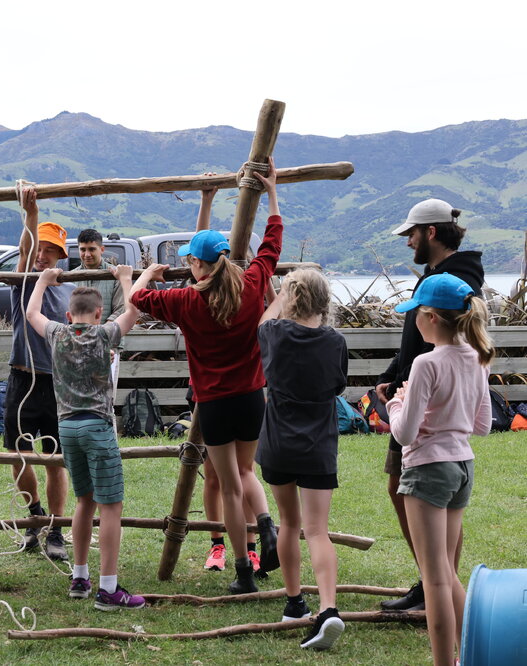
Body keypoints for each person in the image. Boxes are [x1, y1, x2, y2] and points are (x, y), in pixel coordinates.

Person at [131, 157, 282, 594]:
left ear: (198, 265)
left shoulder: (185, 302)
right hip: (252, 396)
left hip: (214, 404)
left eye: (191, 262)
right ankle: (266, 526)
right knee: (248, 473)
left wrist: (144, 274)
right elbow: (271, 243)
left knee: (229, 489)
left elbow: (138, 298)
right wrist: (271, 193)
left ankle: (243, 571)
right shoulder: (251, 284)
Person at [375, 198, 484, 612]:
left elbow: (440, 347)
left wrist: (402, 391)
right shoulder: (437, 275)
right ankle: (435, 582)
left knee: (424, 497)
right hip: (412, 393)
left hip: (425, 409)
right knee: (401, 489)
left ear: (431, 232)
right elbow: (415, 340)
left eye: (411, 234)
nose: (408, 242)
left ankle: (438, 586)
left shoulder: (455, 280)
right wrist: (392, 375)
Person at [386, 273, 492, 666]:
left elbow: (405, 433)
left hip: (428, 469)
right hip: (462, 467)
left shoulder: (425, 363)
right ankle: (473, 655)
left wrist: (396, 404)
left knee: (433, 579)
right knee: (446, 571)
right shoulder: (477, 358)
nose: (412, 320)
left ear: (431, 317)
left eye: (415, 313)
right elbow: (482, 425)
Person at [26, 265, 145, 610]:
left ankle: (80, 577)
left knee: (84, 501)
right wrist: (125, 278)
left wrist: (43, 281)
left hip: (67, 428)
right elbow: (133, 310)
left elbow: (32, 313)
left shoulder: (57, 333)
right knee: (111, 506)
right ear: (98, 313)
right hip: (97, 427)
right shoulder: (105, 334)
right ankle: (108, 588)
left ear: (68, 315)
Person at [257, 268, 348, 649]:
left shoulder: (273, 334)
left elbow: (264, 320)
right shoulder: (336, 342)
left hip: (278, 443)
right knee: (317, 530)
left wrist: (279, 295)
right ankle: (328, 608)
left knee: (288, 523)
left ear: (290, 298)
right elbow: (338, 385)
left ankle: (294, 603)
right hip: (319, 446)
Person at [190, 180, 263, 577]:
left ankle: (247, 547)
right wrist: (206, 201)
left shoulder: (239, 287)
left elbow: (200, 252)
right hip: (225, 393)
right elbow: (199, 248)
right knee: (218, 475)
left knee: (237, 475)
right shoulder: (209, 286)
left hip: (222, 394)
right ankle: (219, 544)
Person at [4, 186, 75, 561]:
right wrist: (31, 214)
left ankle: (57, 530)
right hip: (22, 379)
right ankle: (36, 516)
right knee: (18, 456)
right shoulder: (24, 282)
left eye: (50, 250)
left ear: (61, 256)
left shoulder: (70, 291)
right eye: (39, 248)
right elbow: (23, 250)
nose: (41, 255)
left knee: (56, 460)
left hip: (57, 383)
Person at [71, 230, 124, 323]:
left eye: (92, 249)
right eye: (83, 250)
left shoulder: (115, 275)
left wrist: (104, 330)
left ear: (102, 249)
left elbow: (121, 308)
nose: (87, 254)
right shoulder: (71, 277)